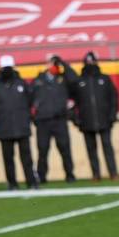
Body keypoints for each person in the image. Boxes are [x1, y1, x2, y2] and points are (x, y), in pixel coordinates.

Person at [0, 54, 35, 190]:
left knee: (27, 157)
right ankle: (12, 183)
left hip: (22, 125)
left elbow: (29, 101)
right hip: (5, 127)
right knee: (8, 158)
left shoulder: (21, 83)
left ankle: (31, 182)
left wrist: (24, 116)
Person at [31, 55, 77, 184]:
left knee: (65, 148)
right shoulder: (38, 80)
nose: (53, 65)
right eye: (52, 63)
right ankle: (41, 176)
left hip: (59, 120)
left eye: (54, 63)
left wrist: (62, 62)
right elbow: (30, 99)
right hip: (43, 121)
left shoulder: (63, 79)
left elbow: (75, 79)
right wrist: (34, 116)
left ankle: (70, 175)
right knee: (43, 150)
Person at [73, 51, 119, 181]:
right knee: (91, 149)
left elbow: (113, 98)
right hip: (86, 121)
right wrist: (76, 119)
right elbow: (72, 102)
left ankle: (113, 172)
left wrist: (113, 115)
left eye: (92, 62)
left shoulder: (104, 79)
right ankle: (96, 174)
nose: (90, 64)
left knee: (107, 146)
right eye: (88, 62)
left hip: (104, 119)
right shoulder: (79, 81)